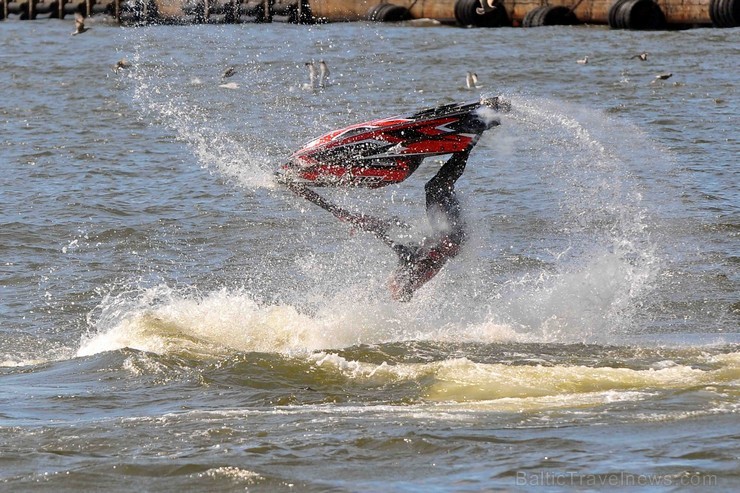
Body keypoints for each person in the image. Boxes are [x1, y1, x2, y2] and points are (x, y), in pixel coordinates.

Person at [282, 144, 476, 302]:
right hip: (451, 234)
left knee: (436, 188)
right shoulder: (413, 267)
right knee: (436, 187)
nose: (389, 283)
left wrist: (299, 189)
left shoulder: (406, 257)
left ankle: (463, 144)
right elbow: (444, 252)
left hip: (446, 235)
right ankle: (467, 141)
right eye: (393, 286)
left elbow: (381, 231)